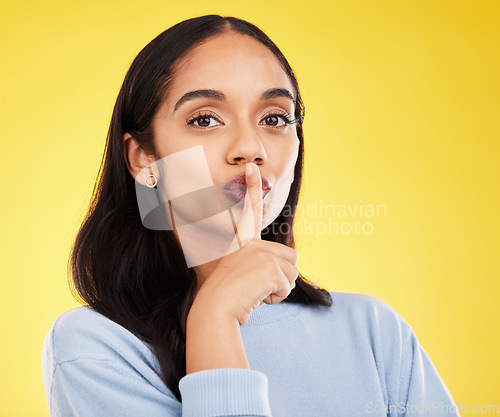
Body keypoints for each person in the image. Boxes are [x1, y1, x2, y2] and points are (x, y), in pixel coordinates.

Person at [41, 14, 460, 417]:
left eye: (274, 118)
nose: (250, 147)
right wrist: (213, 318)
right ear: (143, 158)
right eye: (205, 119)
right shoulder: (96, 347)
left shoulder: (373, 333)